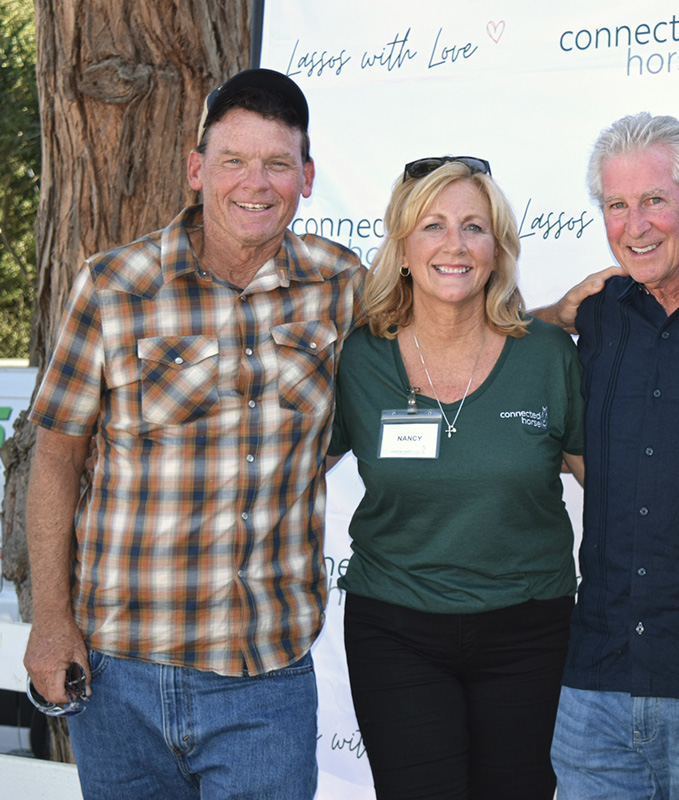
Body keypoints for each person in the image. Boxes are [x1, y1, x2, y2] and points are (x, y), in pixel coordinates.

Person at [22, 69, 363, 798]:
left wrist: (553, 321)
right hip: (118, 675)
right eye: (233, 159)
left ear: (306, 178)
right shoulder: (113, 286)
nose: (255, 183)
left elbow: (436, 342)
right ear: (196, 168)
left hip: (264, 678)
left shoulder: (341, 286)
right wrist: (50, 621)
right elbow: (55, 456)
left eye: (277, 163)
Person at [326, 157, 585, 799]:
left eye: (474, 227)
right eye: (433, 226)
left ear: (497, 249)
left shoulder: (548, 355)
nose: (455, 244)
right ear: (403, 249)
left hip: (530, 630)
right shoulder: (359, 356)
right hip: (395, 628)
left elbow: (610, 490)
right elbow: (283, 471)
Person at [539, 113, 679, 799]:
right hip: (596, 685)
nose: (634, 225)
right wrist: (553, 314)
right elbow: (490, 342)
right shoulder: (598, 314)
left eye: (654, 200)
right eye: (616, 205)